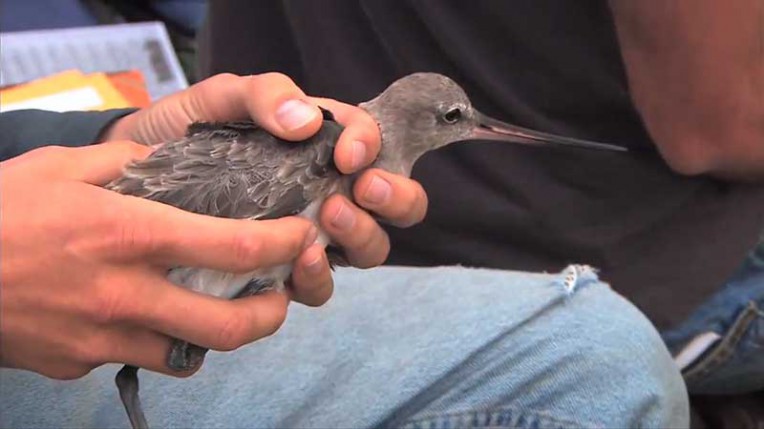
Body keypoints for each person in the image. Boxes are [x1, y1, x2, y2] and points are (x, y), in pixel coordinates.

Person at [1, 62, 687, 429]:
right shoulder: (315, 160)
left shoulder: (342, 155)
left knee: (602, 353)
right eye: (458, 122)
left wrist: (114, 138)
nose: (477, 130)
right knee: (592, 359)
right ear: (422, 122)